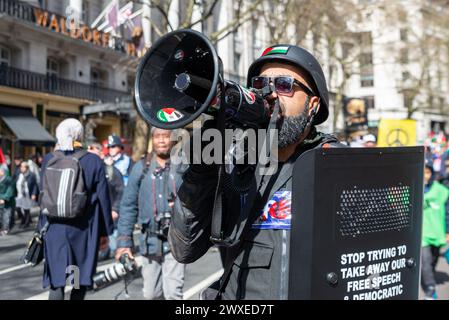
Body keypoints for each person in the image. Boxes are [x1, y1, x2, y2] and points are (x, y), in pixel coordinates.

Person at [168, 44, 344, 299]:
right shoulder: (236, 163)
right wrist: (202, 170)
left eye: (284, 84)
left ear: (313, 104)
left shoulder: (336, 164)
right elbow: (184, 249)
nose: (270, 94)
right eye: (261, 83)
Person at [38, 118, 114, 300]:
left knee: (57, 282)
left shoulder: (49, 159)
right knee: (78, 281)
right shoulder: (93, 161)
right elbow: (103, 199)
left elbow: (43, 196)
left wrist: (40, 228)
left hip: (54, 229)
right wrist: (106, 232)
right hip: (84, 230)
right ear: (80, 135)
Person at [116, 127, 185, 300]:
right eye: (157, 136)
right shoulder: (140, 168)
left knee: (173, 293)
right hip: (149, 241)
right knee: (151, 294)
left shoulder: (183, 166)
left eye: (166, 136)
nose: (161, 141)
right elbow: (128, 206)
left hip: (176, 241)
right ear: (152, 139)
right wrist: (124, 242)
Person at [88, 142, 124, 260]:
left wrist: (115, 209)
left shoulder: (110, 171)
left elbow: (121, 191)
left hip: (109, 215)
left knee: (114, 247)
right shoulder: (84, 170)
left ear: (101, 154)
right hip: (92, 216)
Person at [421, 159, 449, 300]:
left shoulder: (441, 190)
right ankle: (430, 289)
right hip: (423, 234)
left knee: (433, 260)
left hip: (437, 231)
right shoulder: (414, 187)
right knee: (425, 260)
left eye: (427, 172)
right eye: (423, 172)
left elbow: (448, 211)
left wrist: (448, 231)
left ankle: (428, 276)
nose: (425, 175)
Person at [15, 161, 39, 229]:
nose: (21, 168)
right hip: (19, 194)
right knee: (18, 208)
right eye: (21, 167)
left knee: (26, 209)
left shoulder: (31, 175)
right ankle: (24, 219)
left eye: (23, 167)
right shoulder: (19, 174)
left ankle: (26, 222)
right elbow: (14, 181)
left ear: (27, 168)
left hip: (27, 193)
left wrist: (34, 194)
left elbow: (35, 185)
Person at [0, 167, 14, 236]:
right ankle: (1, 228)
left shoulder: (8, 179)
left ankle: (5, 229)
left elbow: (10, 190)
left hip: (6, 201)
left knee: (6, 216)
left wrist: (4, 198)